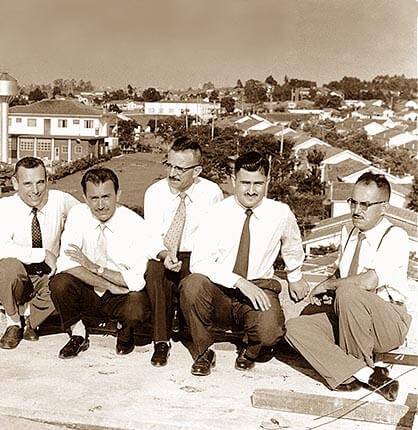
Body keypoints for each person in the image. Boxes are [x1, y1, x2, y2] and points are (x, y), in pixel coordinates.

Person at [285, 173, 412, 402]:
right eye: (353, 202)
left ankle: (349, 368)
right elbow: (341, 272)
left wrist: (329, 285)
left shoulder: (396, 236)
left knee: (349, 291)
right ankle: (367, 374)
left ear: (383, 207)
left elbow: (368, 282)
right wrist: (328, 289)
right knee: (295, 327)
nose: (357, 210)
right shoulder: (349, 231)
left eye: (365, 204)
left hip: (386, 322)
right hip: (348, 314)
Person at [180, 151, 308, 376]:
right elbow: (199, 262)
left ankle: (250, 351)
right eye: (245, 183)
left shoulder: (280, 213)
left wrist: (296, 277)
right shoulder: (216, 213)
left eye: (258, 183)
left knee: (271, 332)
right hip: (220, 290)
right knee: (192, 284)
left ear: (267, 182)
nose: (251, 190)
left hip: (259, 289)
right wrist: (239, 282)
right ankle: (203, 352)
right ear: (233, 181)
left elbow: (292, 245)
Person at [50, 167, 151, 359]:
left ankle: (125, 331)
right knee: (60, 283)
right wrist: (107, 284)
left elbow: (136, 281)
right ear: (85, 198)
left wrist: (96, 268)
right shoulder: (78, 214)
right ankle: (78, 333)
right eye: (94, 198)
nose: (100, 205)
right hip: (93, 288)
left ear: (118, 195)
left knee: (137, 305)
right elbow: (66, 263)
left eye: (106, 197)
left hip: (120, 295)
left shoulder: (135, 224)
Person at [143, 136, 222, 367]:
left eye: (180, 168)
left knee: (194, 281)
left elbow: (215, 237)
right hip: (165, 252)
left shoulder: (212, 193)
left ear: (196, 171)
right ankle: (161, 341)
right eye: (170, 165)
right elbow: (151, 236)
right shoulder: (155, 193)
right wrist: (165, 255)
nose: (173, 173)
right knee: (155, 272)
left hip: (197, 254)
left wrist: (197, 260)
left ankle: (202, 348)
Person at [0, 156, 78, 349]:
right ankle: (13, 323)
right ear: (15, 183)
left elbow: (85, 216)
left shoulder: (60, 200)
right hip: (18, 277)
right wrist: (43, 254)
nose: (35, 190)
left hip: (48, 276)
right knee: (6, 269)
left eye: (40, 182)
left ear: (47, 180)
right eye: (27, 184)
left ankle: (29, 320)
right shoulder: (3, 208)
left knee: (66, 283)